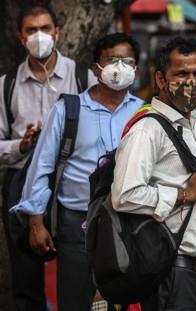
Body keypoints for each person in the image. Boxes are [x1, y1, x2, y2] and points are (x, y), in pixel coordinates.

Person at [12, 33, 143, 311]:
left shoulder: (143, 114)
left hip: (130, 222)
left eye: (127, 61)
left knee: (128, 299)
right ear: (96, 69)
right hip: (77, 224)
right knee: (75, 300)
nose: (120, 67)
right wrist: (36, 223)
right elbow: (41, 166)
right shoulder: (68, 110)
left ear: (137, 70)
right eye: (112, 60)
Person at [111, 37, 196, 311]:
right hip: (177, 272)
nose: (191, 82)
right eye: (181, 73)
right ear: (160, 78)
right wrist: (184, 193)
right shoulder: (147, 130)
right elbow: (124, 195)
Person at [0, 3, 97, 310]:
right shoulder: (7, 85)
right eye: (31, 30)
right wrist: (22, 145)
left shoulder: (83, 78)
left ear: (57, 32)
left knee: (79, 264)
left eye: (44, 29)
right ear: (20, 37)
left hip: (72, 184)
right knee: (26, 277)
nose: (39, 36)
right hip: (22, 182)